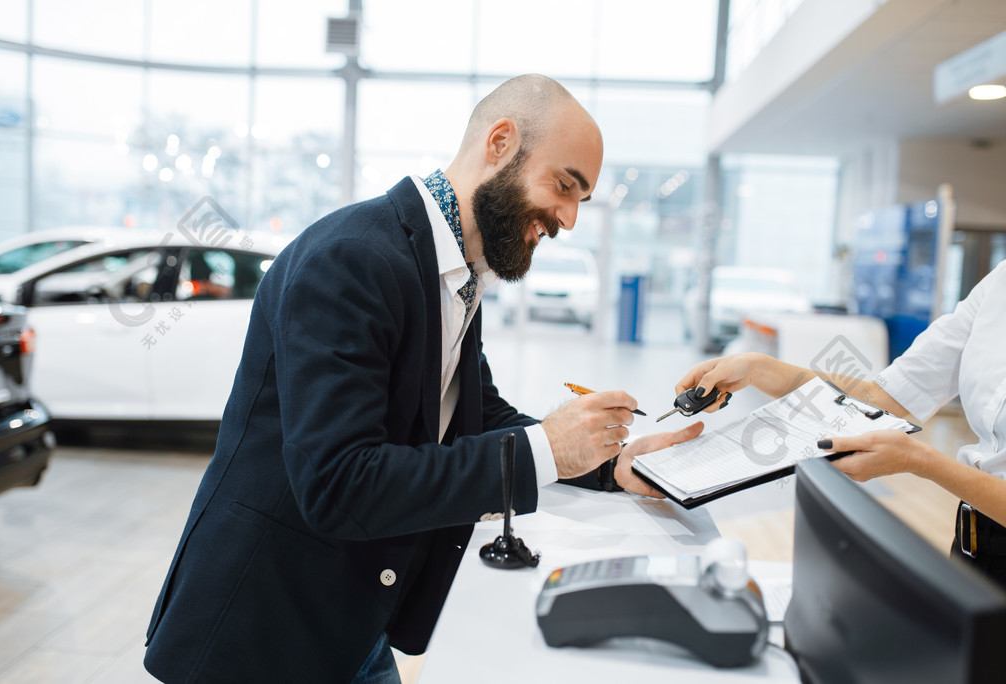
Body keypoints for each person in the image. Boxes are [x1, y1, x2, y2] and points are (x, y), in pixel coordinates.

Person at [143, 74, 700, 684]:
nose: (567, 217)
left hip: (351, 621)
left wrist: (605, 463)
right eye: (564, 185)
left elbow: (476, 414)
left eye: (580, 199)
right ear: (500, 143)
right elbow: (339, 484)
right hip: (260, 634)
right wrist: (546, 449)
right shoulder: (352, 259)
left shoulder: (456, 273)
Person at [672, 260, 1006, 588]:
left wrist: (921, 461)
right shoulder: (998, 285)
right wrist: (757, 369)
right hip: (974, 549)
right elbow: (880, 398)